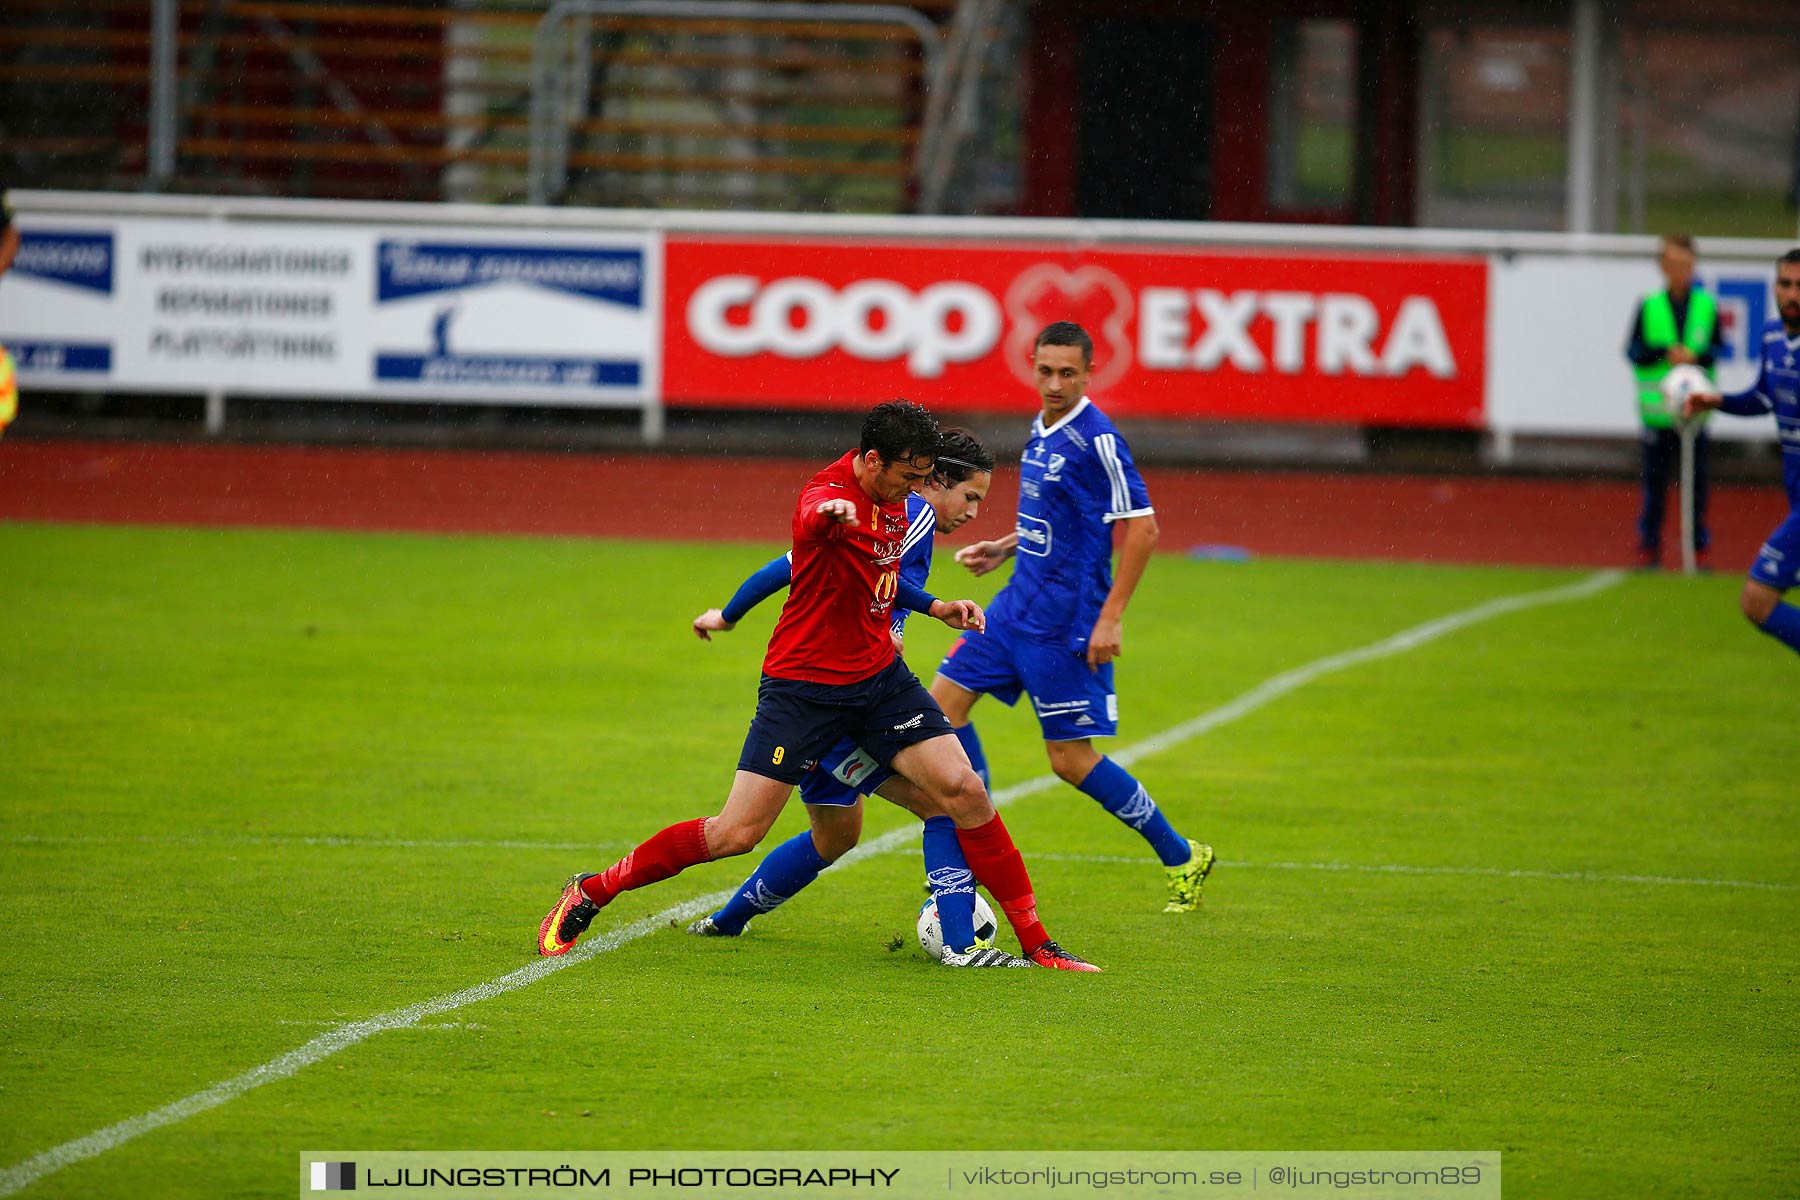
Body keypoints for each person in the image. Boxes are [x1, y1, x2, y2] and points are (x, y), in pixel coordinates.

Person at [537, 401, 1100, 971]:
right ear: (874, 461)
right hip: (803, 692)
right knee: (736, 833)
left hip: (878, 682)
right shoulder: (828, 496)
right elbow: (811, 518)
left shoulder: (895, 503)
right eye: (909, 476)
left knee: (964, 793)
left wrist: (936, 607)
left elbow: (882, 577)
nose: (917, 490)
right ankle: (593, 889)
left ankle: (1038, 945)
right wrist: (829, 516)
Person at [685, 429, 1020, 965]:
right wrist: (892, 634)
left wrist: (727, 615)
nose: (975, 513)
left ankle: (725, 922)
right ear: (936, 481)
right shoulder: (916, 517)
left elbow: (792, 564)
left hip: (828, 695)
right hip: (842, 702)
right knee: (944, 805)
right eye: (972, 496)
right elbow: (841, 578)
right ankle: (961, 942)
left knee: (836, 836)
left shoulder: (890, 515)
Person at [932, 322, 1214, 913]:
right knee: (941, 710)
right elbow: (1062, 515)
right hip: (1013, 607)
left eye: (1068, 373)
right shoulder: (1042, 427)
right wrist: (1006, 547)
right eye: (1046, 370)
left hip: (1066, 624)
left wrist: (1110, 620)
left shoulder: (1098, 439)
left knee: (1069, 761)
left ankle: (1182, 854)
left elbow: (1143, 528)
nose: (1055, 382)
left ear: (1089, 373)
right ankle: (981, 836)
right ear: (1031, 366)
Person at [1683, 248, 1800, 659]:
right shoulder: (1771, 336)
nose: (1792, 294)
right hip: (1795, 494)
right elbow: (1764, 398)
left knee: (1757, 600)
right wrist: (1716, 401)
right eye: (1785, 284)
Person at [1625, 235, 1725, 569]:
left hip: (1694, 414)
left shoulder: (1706, 306)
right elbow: (1634, 350)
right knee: (1655, 485)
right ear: (1663, 267)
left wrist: (1696, 356)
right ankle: (1649, 548)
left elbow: (1718, 349)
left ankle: (1697, 550)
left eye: (1686, 264)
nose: (1680, 271)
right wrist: (1664, 353)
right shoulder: (1650, 305)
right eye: (1673, 264)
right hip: (1657, 413)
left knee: (1696, 486)